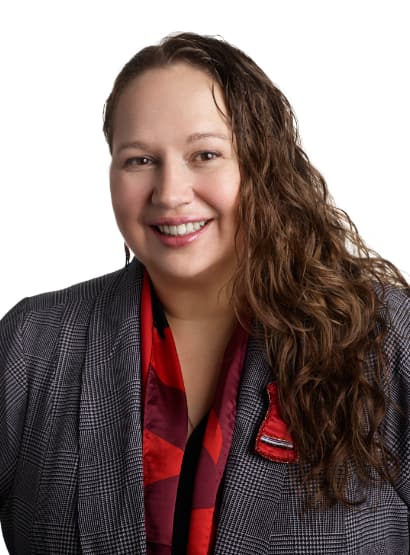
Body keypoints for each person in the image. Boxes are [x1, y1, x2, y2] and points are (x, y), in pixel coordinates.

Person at [0, 31, 409, 555]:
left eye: (205, 154)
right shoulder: (35, 341)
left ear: (264, 166)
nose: (170, 193)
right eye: (139, 160)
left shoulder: (385, 335)